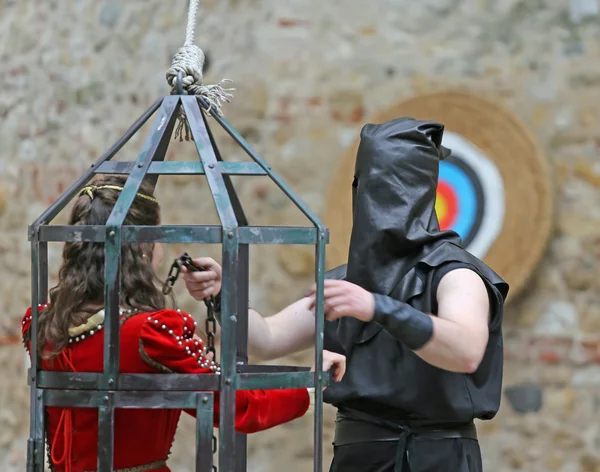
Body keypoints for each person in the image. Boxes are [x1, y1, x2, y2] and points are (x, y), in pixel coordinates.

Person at [183, 118, 509, 472]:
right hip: (358, 457)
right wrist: (222, 295)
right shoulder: (346, 283)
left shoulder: (456, 275)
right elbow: (268, 339)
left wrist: (375, 307)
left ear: (420, 189)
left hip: (437, 459)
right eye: (371, 185)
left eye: (394, 185)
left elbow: (465, 352)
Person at [22, 175, 346, 472]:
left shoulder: (38, 324)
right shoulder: (150, 332)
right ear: (143, 247)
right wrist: (310, 384)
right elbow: (238, 406)